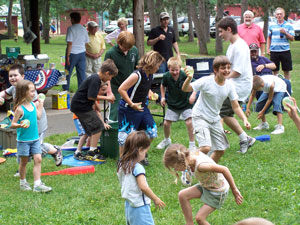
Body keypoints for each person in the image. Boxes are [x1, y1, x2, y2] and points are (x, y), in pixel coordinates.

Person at [182, 56, 251, 160]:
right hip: (200, 116)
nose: (227, 70)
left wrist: (245, 119)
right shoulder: (206, 81)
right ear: (215, 69)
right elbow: (186, 89)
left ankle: (207, 170)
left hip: (214, 119)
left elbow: (235, 106)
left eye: (228, 68)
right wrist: (189, 78)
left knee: (220, 150)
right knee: (205, 148)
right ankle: (186, 163)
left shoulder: (229, 86)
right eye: (223, 68)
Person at [0, 64, 63, 169]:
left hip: (37, 123)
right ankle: (21, 170)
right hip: (25, 124)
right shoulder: (14, 88)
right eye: (10, 76)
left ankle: (56, 151)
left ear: (23, 76)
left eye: (16, 75)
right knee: (23, 145)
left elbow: (34, 107)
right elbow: (4, 94)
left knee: (37, 146)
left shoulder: (29, 89)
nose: (13, 78)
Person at [163, 143, 243, 225]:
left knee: (200, 218)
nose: (175, 170)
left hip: (217, 191)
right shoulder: (190, 157)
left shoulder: (202, 166)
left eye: (174, 167)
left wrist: (234, 189)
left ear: (181, 161)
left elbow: (224, 169)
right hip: (206, 185)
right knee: (182, 195)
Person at [118, 51, 164, 163]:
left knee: (152, 131)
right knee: (125, 137)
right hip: (128, 108)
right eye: (158, 65)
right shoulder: (136, 75)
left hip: (142, 108)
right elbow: (121, 89)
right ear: (152, 64)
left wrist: (150, 93)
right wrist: (131, 104)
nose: (158, 68)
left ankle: (140, 153)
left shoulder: (150, 75)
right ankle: (123, 160)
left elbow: (144, 86)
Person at [217, 17, 255, 154]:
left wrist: (221, 77)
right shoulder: (232, 45)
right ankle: (239, 138)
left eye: (221, 32)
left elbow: (237, 72)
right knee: (222, 111)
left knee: (223, 112)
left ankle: (245, 138)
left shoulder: (240, 46)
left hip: (240, 85)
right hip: (232, 84)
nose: (220, 35)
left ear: (229, 29)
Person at [71, 59, 118, 160]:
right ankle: (92, 151)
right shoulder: (95, 79)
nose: (109, 79)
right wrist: (107, 98)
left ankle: (78, 152)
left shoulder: (96, 79)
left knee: (89, 131)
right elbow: (91, 96)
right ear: (107, 73)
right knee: (98, 127)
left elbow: (90, 96)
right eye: (110, 77)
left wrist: (96, 105)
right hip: (82, 106)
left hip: (80, 106)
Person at [11, 80, 52, 192]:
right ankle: (23, 182)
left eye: (35, 91)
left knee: (38, 159)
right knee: (23, 162)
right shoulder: (19, 109)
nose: (35, 93)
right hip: (23, 141)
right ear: (23, 93)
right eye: (32, 91)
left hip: (35, 139)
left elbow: (38, 116)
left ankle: (37, 184)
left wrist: (41, 103)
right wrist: (20, 124)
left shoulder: (33, 105)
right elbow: (12, 124)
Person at [117, 131, 165, 225]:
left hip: (129, 204)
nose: (145, 155)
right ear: (140, 150)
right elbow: (143, 187)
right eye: (145, 152)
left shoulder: (122, 164)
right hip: (140, 206)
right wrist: (155, 199)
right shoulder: (137, 167)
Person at [156, 57, 197, 151]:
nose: (174, 72)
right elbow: (162, 85)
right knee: (166, 123)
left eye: (177, 70)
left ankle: (192, 144)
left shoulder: (185, 75)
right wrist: (162, 97)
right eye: (172, 70)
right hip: (172, 104)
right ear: (168, 68)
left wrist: (193, 95)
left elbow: (196, 84)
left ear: (180, 68)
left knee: (189, 122)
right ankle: (167, 140)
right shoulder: (166, 76)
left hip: (186, 103)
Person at [104, 31, 139, 123]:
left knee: (130, 111)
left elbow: (137, 68)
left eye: (129, 47)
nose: (127, 49)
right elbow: (105, 75)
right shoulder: (111, 53)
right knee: (115, 113)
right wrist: (109, 92)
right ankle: (112, 132)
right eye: (125, 47)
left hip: (131, 87)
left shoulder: (134, 50)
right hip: (116, 88)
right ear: (118, 42)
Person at [73, 82, 112, 159]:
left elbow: (98, 110)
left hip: (84, 117)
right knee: (85, 134)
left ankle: (88, 149)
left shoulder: (94, 98)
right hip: (79, 118)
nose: (104, 93)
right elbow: (97, 111)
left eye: (105, 91)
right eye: (103, 90)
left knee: (90, 133)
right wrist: (103, 123)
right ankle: (78, 151)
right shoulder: (92, 97)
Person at [64, 11, 89, 91]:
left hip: (72, 53)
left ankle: (65, 89)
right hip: (82, 53)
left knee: (67, 72)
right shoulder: (84, 29)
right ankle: (81, 91)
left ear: (73, 19)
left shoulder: (70, 28)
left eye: (71, 19)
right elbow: (86, 42)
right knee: (81, 74)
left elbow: (70, 43)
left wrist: (67, 56)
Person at [267, 7, 295, 80]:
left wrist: (285, 33)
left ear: (284, 15)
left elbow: (292, 38)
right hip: (274, 51)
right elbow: (269, 37)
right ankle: (275, 87)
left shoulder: (289, 25)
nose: (279, 15)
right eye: (278, 14)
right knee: (274, 70)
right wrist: (268, 49)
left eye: (281, 14)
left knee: (286, 70)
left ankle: (288, 86)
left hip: (285, 50)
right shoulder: (271, 25)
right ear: (276, 15)